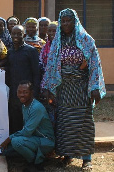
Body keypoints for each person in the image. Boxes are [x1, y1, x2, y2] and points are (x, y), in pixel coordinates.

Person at [41, 8, 106, 170]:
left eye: (69, 20)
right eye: (63, 21)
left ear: (75, 22)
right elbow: (50, 67)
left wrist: (95, 88)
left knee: (84, 123)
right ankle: (67, 155)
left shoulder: (86, 40)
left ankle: (86, 159)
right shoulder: (58, 41)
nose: (66, 24)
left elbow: (94, 65)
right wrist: (49, 88)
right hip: (64, 89)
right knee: (65, 123)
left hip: (81, 88)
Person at [0, 81, 54, 172]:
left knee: (16, 142)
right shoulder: (25, 105)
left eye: (25, 92)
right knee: (5, 151)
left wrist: (9, 138)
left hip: (45, 140)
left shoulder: (36, 108)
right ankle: (34, 156)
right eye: (19, 92)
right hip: (33, 138)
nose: (22, 95)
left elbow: (27, 131)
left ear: (31, 93)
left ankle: (36, 162)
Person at [2, 25, 40, 134]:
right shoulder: (10, 52)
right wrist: (2, 68)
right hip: (14, 93)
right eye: (13, 34)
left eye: (19, 34)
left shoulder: (31, 51)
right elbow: (11, 67)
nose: (16, 36)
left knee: (27, 121)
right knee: (15, 120)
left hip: (27, 94)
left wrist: (35, 93)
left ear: (23, 35)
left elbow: (36, 73)